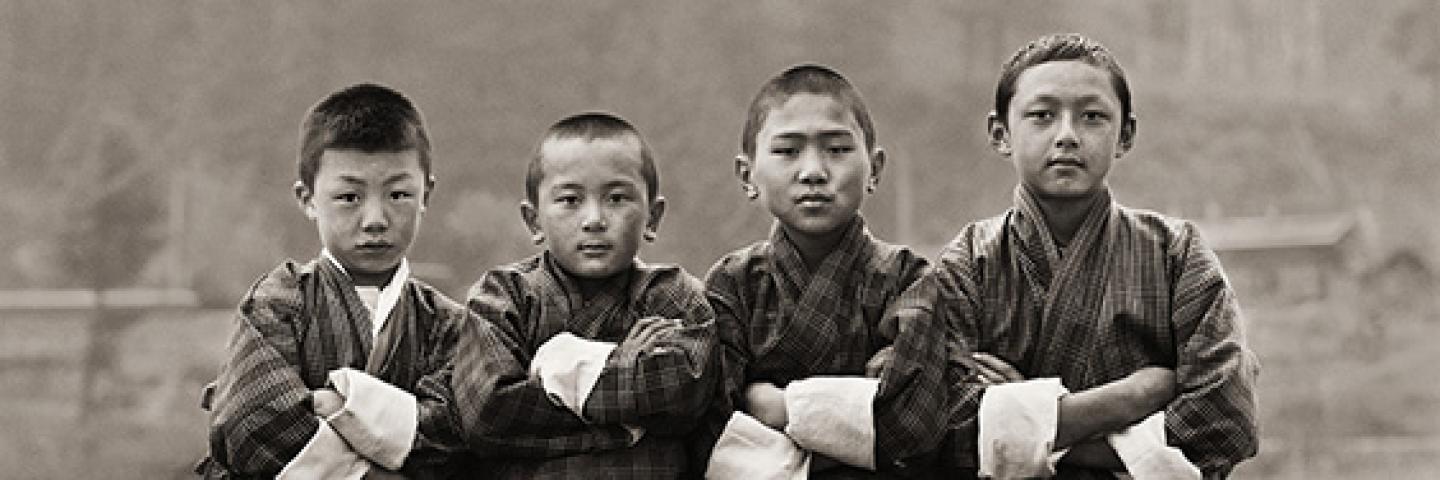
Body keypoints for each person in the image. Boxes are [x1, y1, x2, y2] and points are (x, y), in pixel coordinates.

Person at [918, 33, 1259, 478]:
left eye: (1092, 117)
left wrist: (1026, 424)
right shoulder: (968, 263)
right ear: (1000, 133)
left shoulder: (1175, 253)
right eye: (1042, 116)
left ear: (1125, 135)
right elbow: (946, 429)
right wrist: (1127, 401)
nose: (1067, 136)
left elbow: (1224, 420)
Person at [199, 83, 471, 479]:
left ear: (426, 193)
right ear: (307, 198)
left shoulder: (450, 326)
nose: (375, 219)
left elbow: (459, 434)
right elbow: (250, 420)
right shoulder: (281, 301)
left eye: (398, 195)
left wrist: (343, 404)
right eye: (349, 197)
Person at [697, 64, 947, 478]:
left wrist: (778, 407)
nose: (813, 171)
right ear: (747, 175)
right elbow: (713, 430)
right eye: (787, 151)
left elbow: (910, 424)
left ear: (875, 169)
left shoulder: (908, 278)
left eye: (836, 150)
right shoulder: (733, 284)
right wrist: (847, 430)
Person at [450, 112, 719, 478]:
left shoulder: (674, 296)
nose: (594, 219)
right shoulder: (503, 296)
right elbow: (490, 414)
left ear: (652, 218)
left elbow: (679, 394)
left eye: (616, 198)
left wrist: (552, 381)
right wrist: (624, 372)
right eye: (570, 200)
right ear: (534, 221)